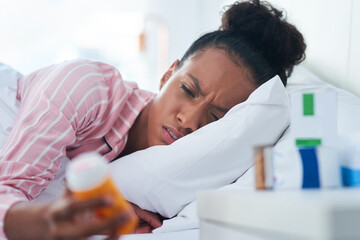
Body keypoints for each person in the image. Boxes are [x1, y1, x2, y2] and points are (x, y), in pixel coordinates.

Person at [0, 0, 306, 239]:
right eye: (187, 90)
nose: (189, 119)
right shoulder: (86, 88)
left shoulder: (178, 178)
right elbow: (7, 192)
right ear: (167, 74)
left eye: (216, 117)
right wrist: (64, 220)